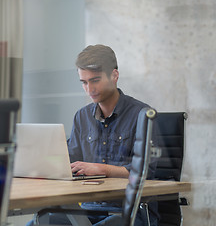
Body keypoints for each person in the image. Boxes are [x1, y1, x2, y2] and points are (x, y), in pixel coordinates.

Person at [27, 44, 158, 226]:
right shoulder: (82, 116)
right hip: (88, 209)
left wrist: (103, 169)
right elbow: (70, 161)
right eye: (84, 82)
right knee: (36, 223)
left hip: (131, 210)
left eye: (95, 80)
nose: (89, 88)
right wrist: (42, 161)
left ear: (114, 76)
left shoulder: (142, 115)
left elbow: (146, 172)